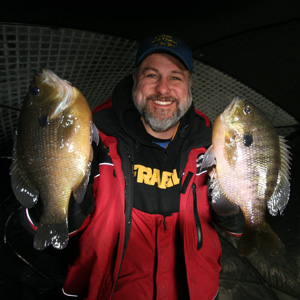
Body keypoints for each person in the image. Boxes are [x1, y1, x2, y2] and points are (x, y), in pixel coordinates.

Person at [26, 33, 244, 300]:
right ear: (135, 78)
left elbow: (237, 226)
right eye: (151, 75)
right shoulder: (91, 135)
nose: (163, 89)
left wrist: (230, 204)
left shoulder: (214, 142)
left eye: (175, 77)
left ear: (190, 83)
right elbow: (54, 228)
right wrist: (54, 177)